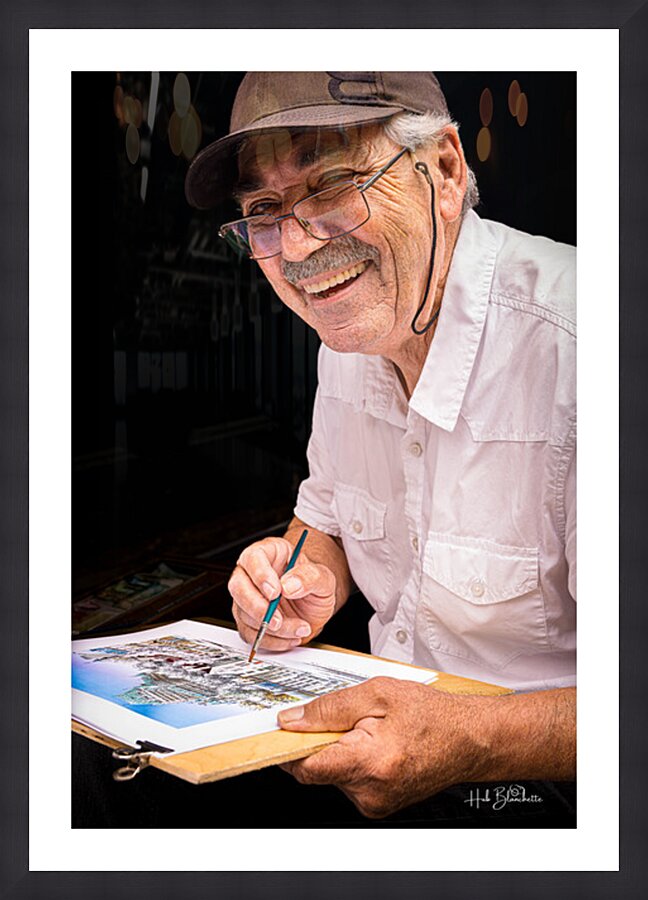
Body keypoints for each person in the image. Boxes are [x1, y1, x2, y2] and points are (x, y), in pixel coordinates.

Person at [185, 72, 576, 818]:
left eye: (331, 183)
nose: (295, 246)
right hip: (380, 759)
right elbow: (325, 518)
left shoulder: (587, 346)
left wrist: (473, 740)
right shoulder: (348, 344)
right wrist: (302, 575)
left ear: (448, 171)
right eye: (263, 210)